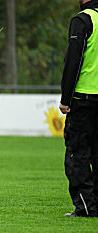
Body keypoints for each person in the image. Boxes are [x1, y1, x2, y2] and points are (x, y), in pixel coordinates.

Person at [60, 0, 98, 217]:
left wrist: (66, 98)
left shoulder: (83, 20)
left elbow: (74, 60)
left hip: (83, 98)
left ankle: (85, 206)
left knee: (78, 153)